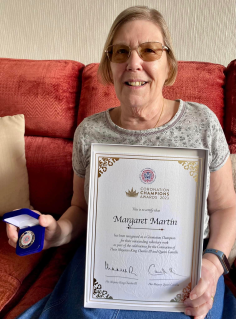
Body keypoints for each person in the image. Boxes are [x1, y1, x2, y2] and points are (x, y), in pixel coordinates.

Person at [7, 6, 236, 319]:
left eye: (149, 51)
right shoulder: (90, 132)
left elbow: (225, 207)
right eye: (121, 52)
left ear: (168, 63)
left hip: (184, 267)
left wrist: (213, 264)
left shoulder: (202, 123)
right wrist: (56, 231)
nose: (134, 63)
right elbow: (82, 209)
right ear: (109, 65)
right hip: (108, 262)